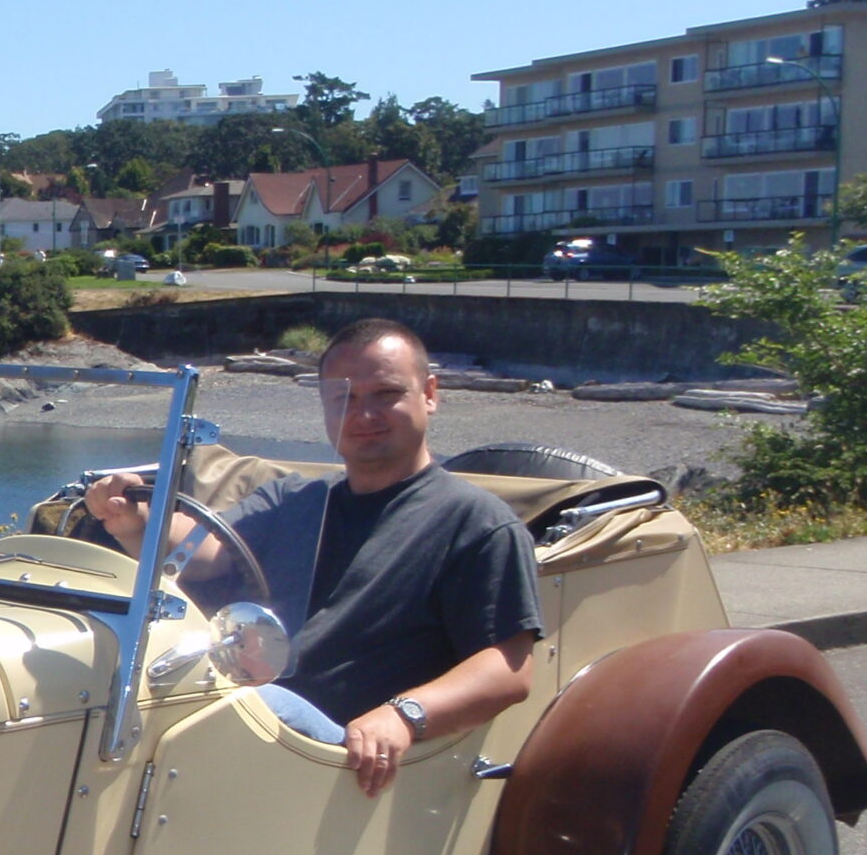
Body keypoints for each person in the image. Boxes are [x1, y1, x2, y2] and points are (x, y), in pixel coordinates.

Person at [85, 317, 541, 799]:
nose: (363, 415)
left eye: (385, 394)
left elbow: (507, 667)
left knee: (252, 703)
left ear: (429, 393)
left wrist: (403, 714)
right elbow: (205, 551)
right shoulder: (294, 498)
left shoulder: (476, 522)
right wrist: (133, 516)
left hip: (349, 754)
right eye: (345, 399)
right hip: (259, 729)